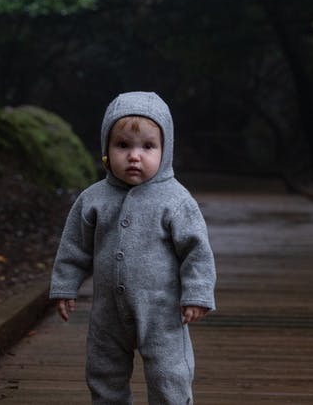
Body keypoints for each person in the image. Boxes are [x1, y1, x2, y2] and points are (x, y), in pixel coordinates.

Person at [50, 91, 216, 405]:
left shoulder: (176, 200)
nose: (134, 156)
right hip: (107, 313)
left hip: (163, 313)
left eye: (147, 146)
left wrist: (196, 293)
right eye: (123, 145)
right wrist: (65, 286)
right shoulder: (93, 199)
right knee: (103, 373)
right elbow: (74, 247)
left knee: (170, 376)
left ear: (165, 151)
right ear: (105, 149)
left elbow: (196, 251)